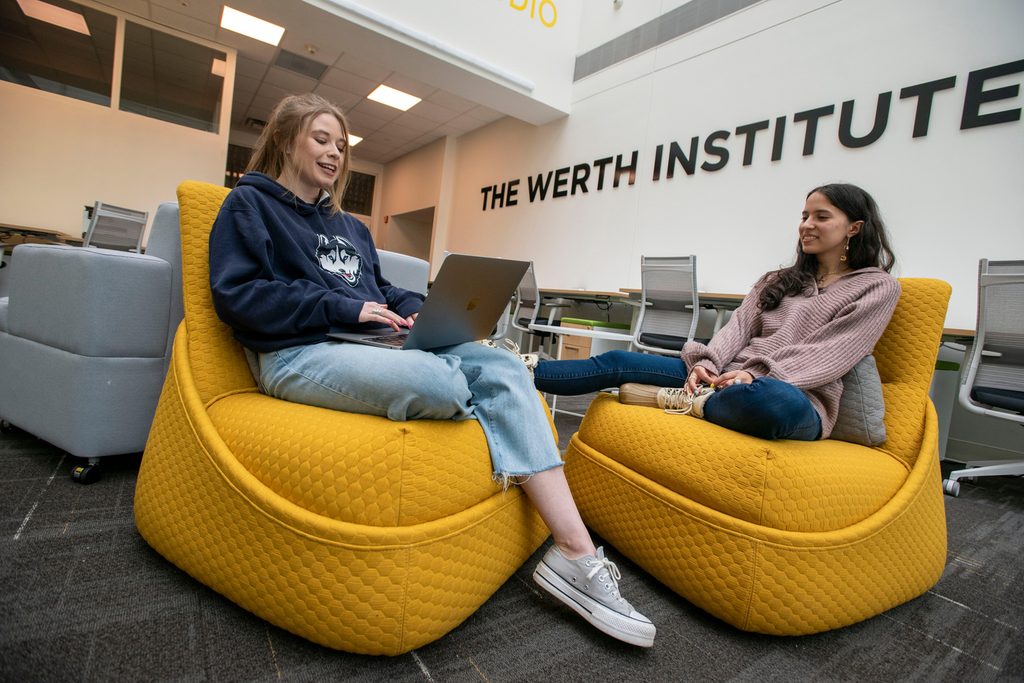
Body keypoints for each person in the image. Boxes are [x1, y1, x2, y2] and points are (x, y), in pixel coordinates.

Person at [207, 93, 655, 648]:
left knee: (504, 365)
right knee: (441, 380)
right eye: (322, 139)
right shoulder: (247, 206)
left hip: (376, 343)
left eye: (342, 146)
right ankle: (505, 430)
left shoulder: (348, 225)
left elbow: (377, 289)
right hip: (298, 351)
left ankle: (575, 556)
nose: (335, 154)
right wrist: (341, 308)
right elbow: (239, 298)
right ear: (284, 139)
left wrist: (417, 304)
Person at [534, 183, 900, 442]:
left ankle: (694, 403)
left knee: (772, 402)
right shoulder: (778, 279)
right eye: (804, 215)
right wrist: (707, 364)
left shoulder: (877, 286)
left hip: (795, 394)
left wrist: (752, 374)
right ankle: (523, 369)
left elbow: (832, 352)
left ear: (854, 227)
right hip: (723, 376)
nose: (806, 224)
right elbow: (737, 328)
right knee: (616, 360)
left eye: (821, 216)